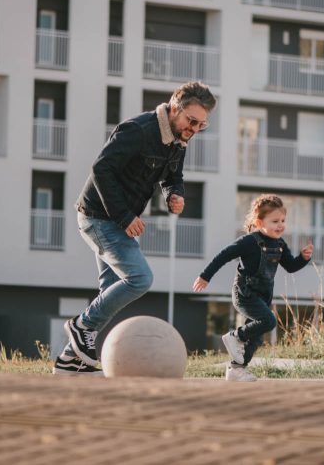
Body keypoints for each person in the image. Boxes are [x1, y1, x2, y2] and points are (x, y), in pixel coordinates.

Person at [53, 81, 217, 375]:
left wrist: (174, 194)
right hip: (98, 217)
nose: (194, 130)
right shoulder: (138, 130)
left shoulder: (179, 138)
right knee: (139, 278)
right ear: (175, 109)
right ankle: (80, 325)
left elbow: (172, 175)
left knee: (109, 290)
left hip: (112, 220)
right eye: (191, 121)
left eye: (201, 126)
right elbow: (101, 169)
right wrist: (126, 217)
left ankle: (70, 362)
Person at [192, 194, 313, 381]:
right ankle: (235, 336)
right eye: (275, 221)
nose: (280, 225)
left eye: (282, 220)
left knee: (255, 337)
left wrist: (303, 258)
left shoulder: (280, 244)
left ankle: (236, 370)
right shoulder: (249, 241)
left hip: (262, 298)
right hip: (244, 294)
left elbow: (290, 266)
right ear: (259, 222)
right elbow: (223, 256)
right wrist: (205, 276)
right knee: (269, 321)